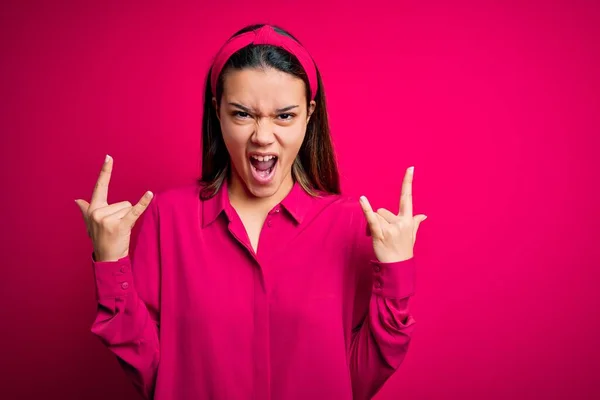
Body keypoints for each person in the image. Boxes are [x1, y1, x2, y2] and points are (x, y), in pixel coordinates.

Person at [75, 23, 427, 400]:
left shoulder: (350, 225)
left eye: (284, 116)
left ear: (309, 115)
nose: (262, 135)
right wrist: (112, 263)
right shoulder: (169, 217)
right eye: (243, 114)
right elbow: (153, 374)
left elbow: (356, 381)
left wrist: (396, 271)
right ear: (218, 112)